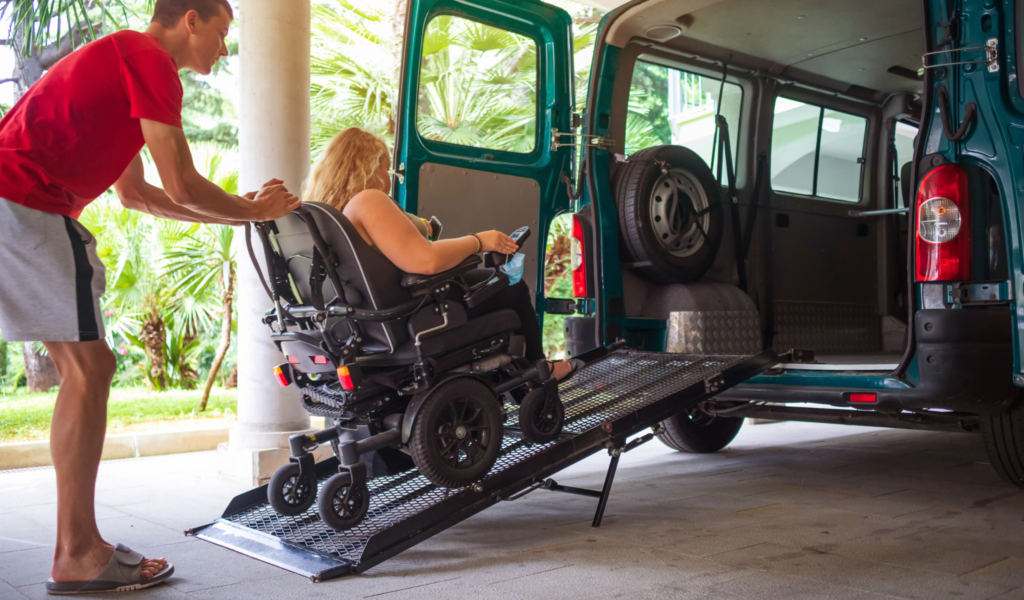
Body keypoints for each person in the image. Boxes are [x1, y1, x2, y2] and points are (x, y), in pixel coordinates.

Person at [0, 0, 300, 594]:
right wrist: (254, 211)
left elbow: (138, 194)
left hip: (18, 202)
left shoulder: (123, 63)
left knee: (85, 369)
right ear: (191, 19)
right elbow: (182, 184)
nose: (224, 48)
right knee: (90, 369)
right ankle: (77, 554)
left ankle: (77, 548)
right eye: (221, 32)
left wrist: (241, 213)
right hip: (26, 202)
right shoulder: (148, 59)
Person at [303, 127, 576, 379]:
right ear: (368, 168)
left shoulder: (321, 216)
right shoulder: (367, 200)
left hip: (362, 325)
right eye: (385, 169)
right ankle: (539, 369)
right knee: (510, 286)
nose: (388, 179)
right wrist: (480, 241)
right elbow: (427, 261)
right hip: (411, 313)